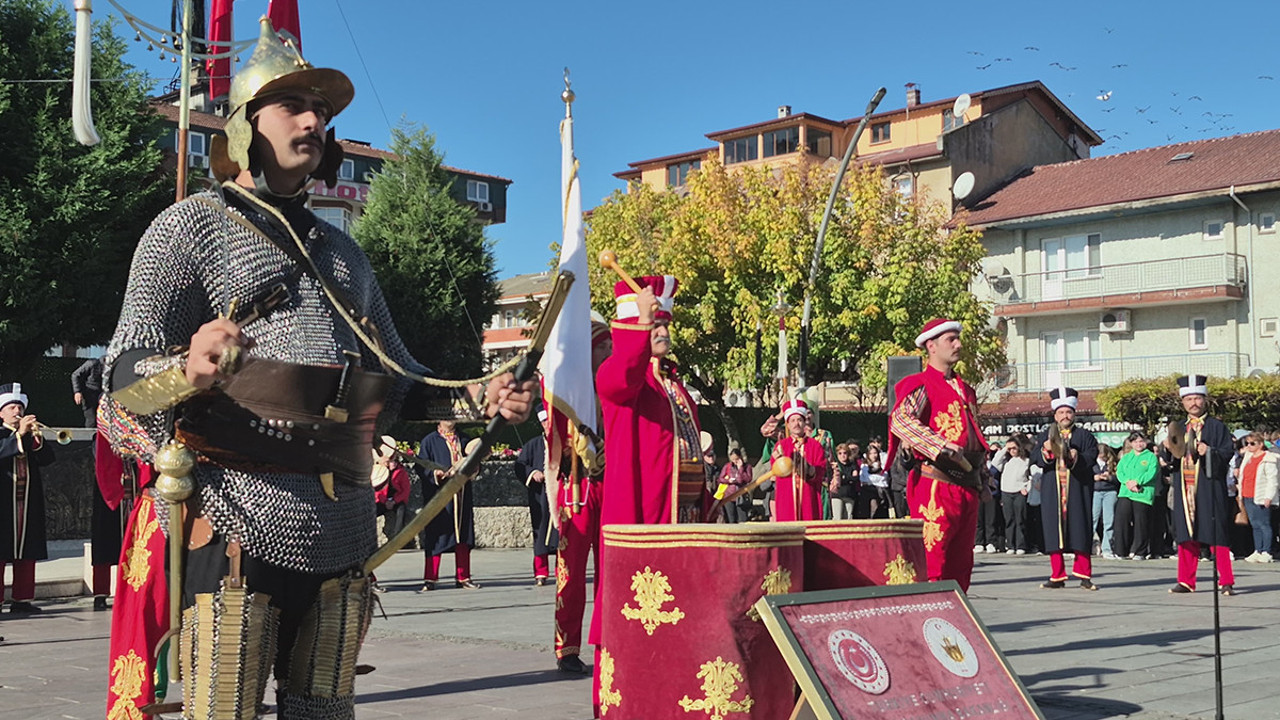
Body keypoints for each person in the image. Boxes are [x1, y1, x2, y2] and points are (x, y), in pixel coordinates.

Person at [98, 20, 534, 718]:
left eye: (322, 112)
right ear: (244, 124)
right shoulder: (188, 228)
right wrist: (187, 367)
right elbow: (122, 376)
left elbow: (394, 375)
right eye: (294, 106)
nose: (314, 120)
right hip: (235, 511)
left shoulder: (343, 254)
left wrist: (478, 396)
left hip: (341, 519)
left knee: (324, 713)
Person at [886, 318, 990, 592]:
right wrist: (937, 444)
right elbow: (900, 420)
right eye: (950, 339)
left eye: (958, 338)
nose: (958, 344)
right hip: (936, 484)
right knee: (932, 565)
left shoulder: (966, 389)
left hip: (967, 486)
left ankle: (953, 630)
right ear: (931, 345)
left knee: (961, 569)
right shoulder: (920, 383)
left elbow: (974, 436)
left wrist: (983, 477)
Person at [597, 276, 709, 525]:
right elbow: (625, 373)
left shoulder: (674, 382)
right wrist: (643, 320)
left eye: (665, 325)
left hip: (687, 513)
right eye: (655, 325)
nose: (663, 332)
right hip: (647, 512)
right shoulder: (614, 374)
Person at [553, 314, 610, 676]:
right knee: (570, 573)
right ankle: (567, 647)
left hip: (608, 484)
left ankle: (609, 641)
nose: (608, 352)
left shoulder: (614, 387)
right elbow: (555, 441)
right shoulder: (566, 392)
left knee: (610, 570)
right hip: (574, 487)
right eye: (602, 346)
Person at [1161, 375, 1235, 595]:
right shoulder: (1178, 427)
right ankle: (1186, 580)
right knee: (1185, 535)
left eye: (1197, 398)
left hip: (1208, 486)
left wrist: (1209, 452)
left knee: (1216, 533)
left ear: (1204, 400)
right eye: (1189, 399)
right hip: (1184, 486)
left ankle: (1227, 580)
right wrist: (1167, 449)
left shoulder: (1216, 426)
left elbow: (1227, 453)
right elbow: (1172, 460)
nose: (1193, 402)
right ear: (1183, 402)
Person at [1031, 387, 1100, 590]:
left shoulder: (1084, 435)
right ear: (1055, 415)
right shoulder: (1045, 434)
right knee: (1053, 532)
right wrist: (1045, 450)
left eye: (1068, 412)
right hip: (1053, 490)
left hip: (1077, 490)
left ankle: (1084, 575)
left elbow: (1091, 456)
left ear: (1074, 413)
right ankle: (1057, 575)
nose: (1065, 415)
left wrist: (1076, 455)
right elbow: (1035, 459)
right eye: (1061, 412)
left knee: (1080, 528)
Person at [0, 383, 53, 614]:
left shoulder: (31, 433)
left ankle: (22, 599)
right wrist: (18, 436)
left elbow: (48, 459)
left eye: (19, 406)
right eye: (11, 407)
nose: (16, 411)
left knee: (27, 549)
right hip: (3, 502)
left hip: (27, 500)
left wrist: (35, 439)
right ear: (1, 412)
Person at [419, 420, 480, 590]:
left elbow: (475, 462)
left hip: (462, 494)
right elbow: (421, 465)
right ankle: (430, 578)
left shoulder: (465, 439)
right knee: (435, 535)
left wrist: (473, 469)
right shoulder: (429, 441)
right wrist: (435, 473)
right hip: (440, 495)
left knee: (463, 536)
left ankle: (463, 576)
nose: (450, 420)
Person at [514, 410, 560, 586]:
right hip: (540, 496)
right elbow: (520, 466)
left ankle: (560, 571)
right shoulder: (533, 444)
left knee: (560, 534)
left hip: (558, 495)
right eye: (544, 421)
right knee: (540, 533)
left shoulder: (564, 443)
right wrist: (533, 473)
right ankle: (541, 572)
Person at [770, 398, 826, 521]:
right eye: (793, 420)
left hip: (808, 498)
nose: (796, 424)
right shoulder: (781, 446)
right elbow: (774, 473)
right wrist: (780, 462)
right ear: (788, 425)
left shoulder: (815, 445)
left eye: (799, 420)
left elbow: (821, 471)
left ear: (804, 422)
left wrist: (808, 468)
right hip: (787, 498)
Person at [1113, 431, 1159, 560]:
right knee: (1121, 521)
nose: (1139, 444)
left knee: (1141, 523)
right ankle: (1121, 551)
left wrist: (1137, 482)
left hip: (1142, 493)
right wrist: (1128, 482)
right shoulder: (1126, 457)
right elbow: (1120, 471)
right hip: (1126, 492)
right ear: (1131, 443)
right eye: (1135, 442)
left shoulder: (1150, 457)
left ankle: (1140, 551)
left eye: (1141, 441)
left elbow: (1152, 472)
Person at [1236, 432, 1277, 563]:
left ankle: (1266, 551)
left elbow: (1272, 480)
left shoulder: (1268, 458)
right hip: (1247, 494)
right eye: (1247, 443)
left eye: (1252, 443)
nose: (1249, 446)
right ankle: (1257, 550)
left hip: (1261, 494)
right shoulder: (1248, 457)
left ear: (1260, 444)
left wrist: (1269, 496)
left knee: (1264, 523)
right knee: (1254, 525)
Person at [992, 435, 1032, 555]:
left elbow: (1032, 477)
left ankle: (1021, 545)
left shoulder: (1026, 461)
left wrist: (1026, 488)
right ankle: (1010, 545)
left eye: (1014, 448)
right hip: (1006, 492)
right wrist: (1005, 448)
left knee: (1020, 519)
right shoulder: (1006, 460)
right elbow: (995, 462)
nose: (1012, 451)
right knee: (1009, 520)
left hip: (1019, 492)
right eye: (1010, 449)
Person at [1093, 444, 1121, 559]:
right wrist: (1093, 478)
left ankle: (1107, 548)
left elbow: (1119, 478)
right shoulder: (1091, 463)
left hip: (1110, 491)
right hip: (1095, 491)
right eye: (1100, 456)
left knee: (1109, 521)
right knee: (1093, 519)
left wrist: (1110, 477)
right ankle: (1086, 547)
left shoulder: (1113, 463)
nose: (1101, 458)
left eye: (1103, 456)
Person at [718, 447, 753, 523]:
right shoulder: (727, 466)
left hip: (741, 496)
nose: (734, 461)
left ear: (740, 457)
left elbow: (744, 480)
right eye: (732, 459)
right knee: (731, 519)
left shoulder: (747, 467)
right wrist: (728, 480)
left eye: (736, 459)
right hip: (729, 495)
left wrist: (740, 468)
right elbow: (720, 479)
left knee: (742, 519)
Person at [70, 356, 104, 428]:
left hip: (102, 394)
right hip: (89, 394)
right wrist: (77, 392)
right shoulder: (92, 364)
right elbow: (75, 375)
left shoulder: (110, 368)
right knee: (91, 420)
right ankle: (90, 438)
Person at [859, 444, 890, 520]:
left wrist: (873, 479)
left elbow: (884, 479)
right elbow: (864, 479)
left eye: (875, 453)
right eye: (871, 453)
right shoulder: (864, 466)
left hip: (882, 493)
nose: (873, 455)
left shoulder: (882, 465)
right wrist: (874, 479)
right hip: (868, 492)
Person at [829, 443, 860, 520]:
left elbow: (855, 478)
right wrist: (848, 478)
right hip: (837, 494)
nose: (842, 455)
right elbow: (831, 478)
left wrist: (843, 478)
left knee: (848, 517)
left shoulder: (852, 465)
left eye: (845, 453)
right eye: (840, 453)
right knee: (837, 517)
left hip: (849, 495)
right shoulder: (835, 465)